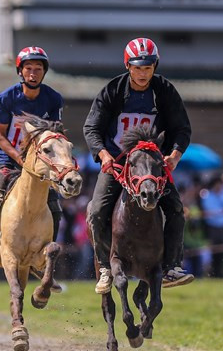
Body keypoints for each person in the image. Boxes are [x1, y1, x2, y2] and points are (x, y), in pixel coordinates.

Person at [83, 38, 194, 293]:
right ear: (128, 66)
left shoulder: (165, 91)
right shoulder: (112, 90)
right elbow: (91, 128)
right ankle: (104, 267)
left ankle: (171, 267)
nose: (143, 73)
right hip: (118, 163)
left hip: (152, 164)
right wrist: (103, 155)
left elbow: (181, 128)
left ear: (155, 67)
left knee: (176, 208)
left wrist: (175, 155)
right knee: (98, 210)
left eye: (148, 67)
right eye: (137, 67)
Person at [0, 47, 65, 284]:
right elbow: (0, 136)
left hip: (41, 164)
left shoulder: (53, 99)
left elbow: (54, 134)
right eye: (29, 69)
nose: (33, 73)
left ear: (44, 73)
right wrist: (20, 159)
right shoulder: (6, 98)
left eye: (38, 69)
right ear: (20, 72)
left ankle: (45, 263)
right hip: (8, 160)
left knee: (55, 206)